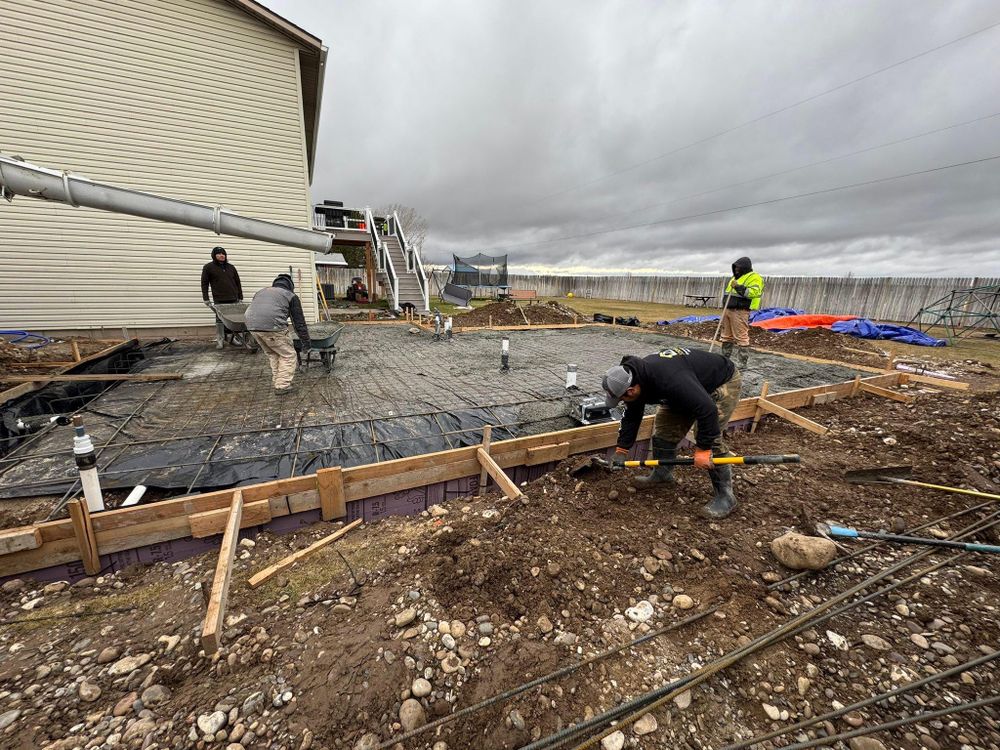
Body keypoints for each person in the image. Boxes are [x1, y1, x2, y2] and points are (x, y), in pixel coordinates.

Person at [602, 346, 743, 519]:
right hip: (688, 385)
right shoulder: (635, 378)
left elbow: (707, 410)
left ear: (631, 390)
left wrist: (704, 449)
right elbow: (632, 415)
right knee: (664, 429)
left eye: (622, 398)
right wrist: (622, 449)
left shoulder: (670, 380)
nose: (622, 401)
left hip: (720, 381)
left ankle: (726, 497)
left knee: (709, 437)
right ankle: (662, 475)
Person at [245, 274, 312, 394]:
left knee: (274, 353)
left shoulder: (262, 291)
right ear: (290, 286)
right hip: (272, 326)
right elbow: (299, 322)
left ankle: (278, 380)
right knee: (289, 355)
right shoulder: (290, 296)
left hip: (251, 325)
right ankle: (282, 386)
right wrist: (306, 342)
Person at [720, 256, 764, 369]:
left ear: (745, 267)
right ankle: (724, 360)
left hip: (740, 311)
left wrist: (738, 287)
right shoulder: (735, 278)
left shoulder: (754, 277)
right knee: (726, 336)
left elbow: (752, 293)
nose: (736, 270)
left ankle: (742, 364)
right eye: (735, 268)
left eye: (738, 268)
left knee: (741, 337)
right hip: (728, 309)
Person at [201, 247, 243, 349]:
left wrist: (240, 296)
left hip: (233, 298)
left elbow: (238, 282)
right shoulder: (208, 267)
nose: (221, 255)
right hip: (219, 299)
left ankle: (233, 339)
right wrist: (206, 298)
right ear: (214, 255)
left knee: (235, 320)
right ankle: (220, 339)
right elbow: (204, 283)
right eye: (219, 254)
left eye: (223, 253)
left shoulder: (231, 267)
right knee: (220, 320)